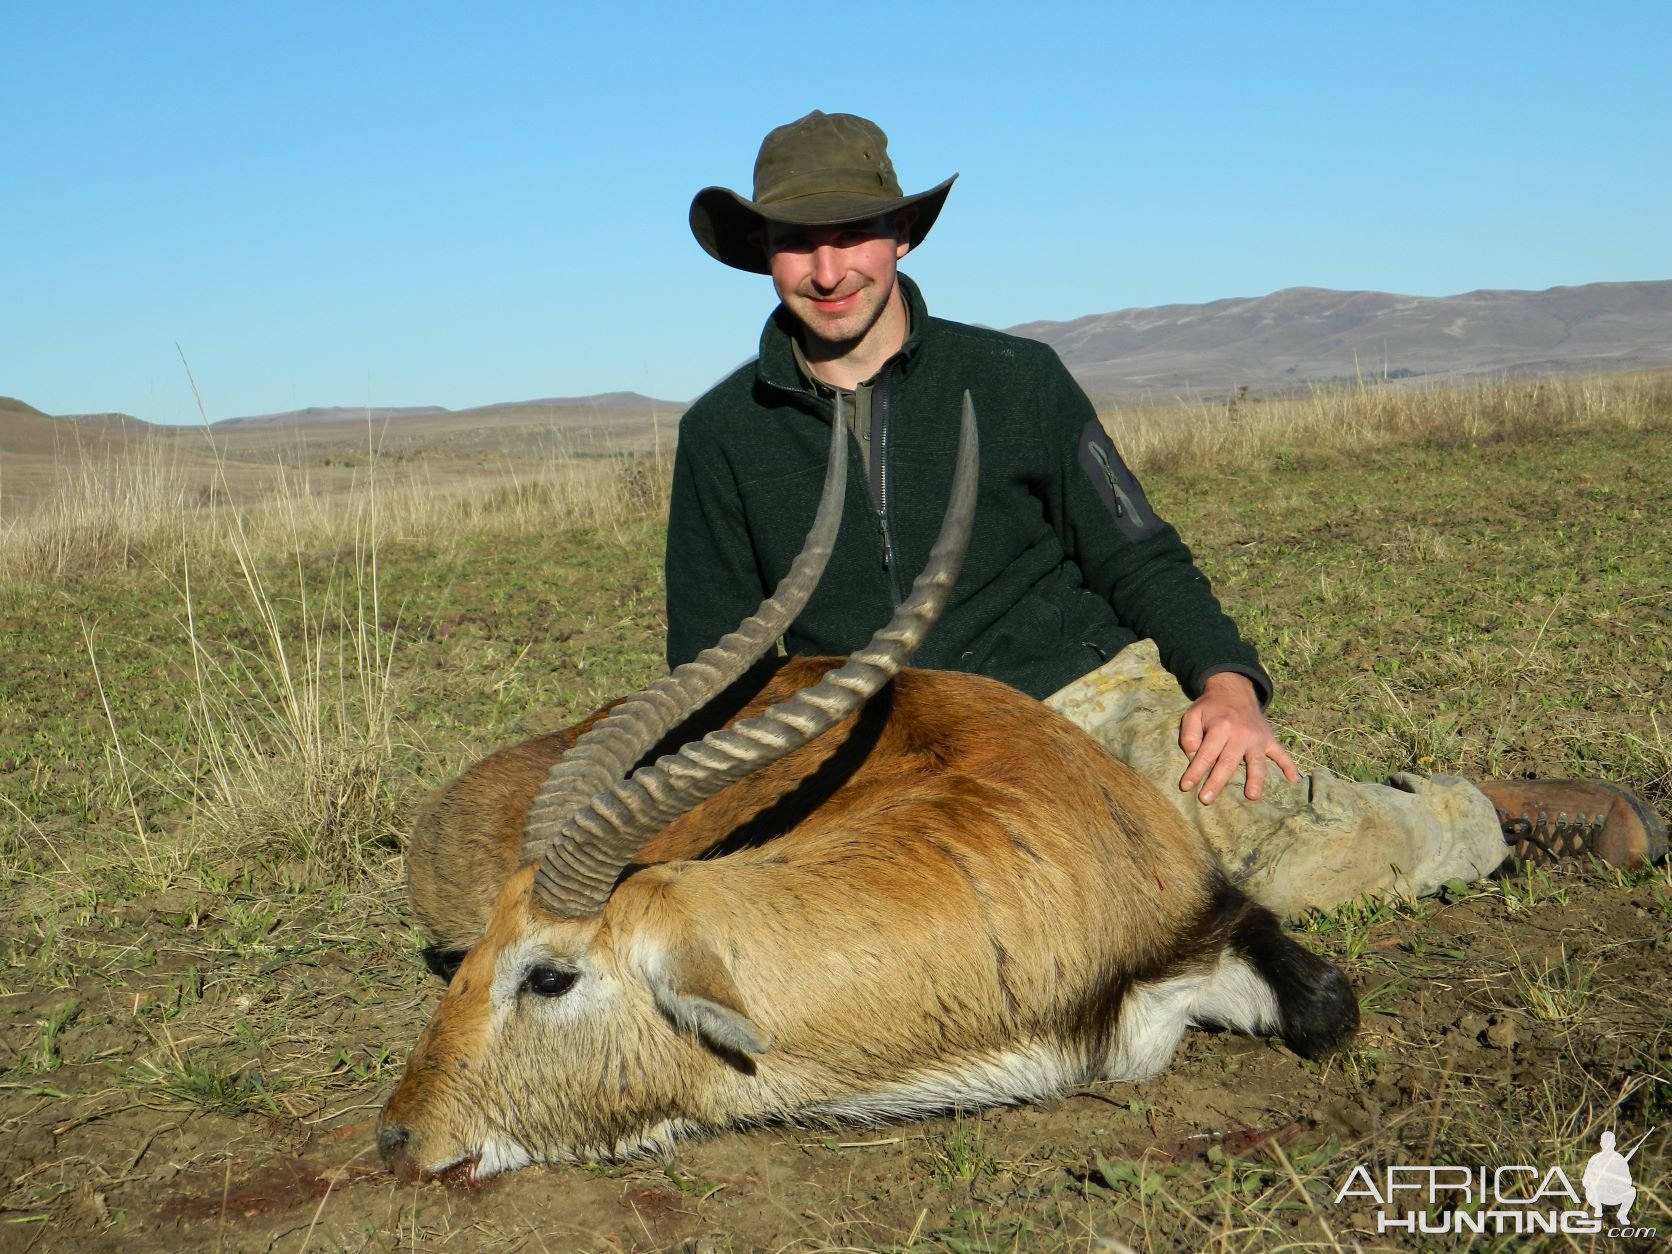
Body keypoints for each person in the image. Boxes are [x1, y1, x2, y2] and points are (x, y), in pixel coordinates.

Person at [665, 110, 1666, 917]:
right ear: (764, 255)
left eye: (850, 235)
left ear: (902, 235)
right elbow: (713, 673)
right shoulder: (720, 433)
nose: (829, 270)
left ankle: (1476, 817)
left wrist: (1226, 685)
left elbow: (1137, 554)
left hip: (1078, 700)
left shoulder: (1015, 380)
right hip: (876, 750)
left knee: (1287, 868)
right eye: (799, 243)